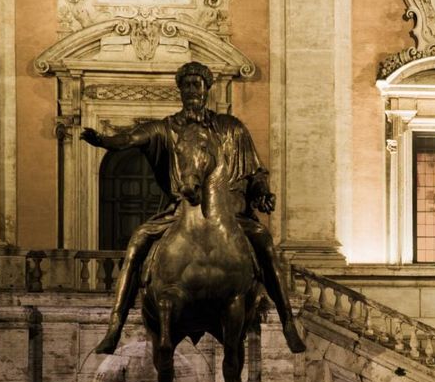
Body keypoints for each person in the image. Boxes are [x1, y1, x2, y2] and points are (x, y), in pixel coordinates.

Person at [80, 61, 305, 356]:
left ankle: (287, 320)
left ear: (207, 88)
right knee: (136, 242)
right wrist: (105, 141)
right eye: (186, 85)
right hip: (180, 209)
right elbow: (133, 137)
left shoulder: (231, 128)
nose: (192, 90)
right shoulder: (167, 128)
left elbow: (256, 172)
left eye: (197, 84)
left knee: (264, 241)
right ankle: (115, 326)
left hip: (230, 212)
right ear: (180, 90)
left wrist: (262, 192)